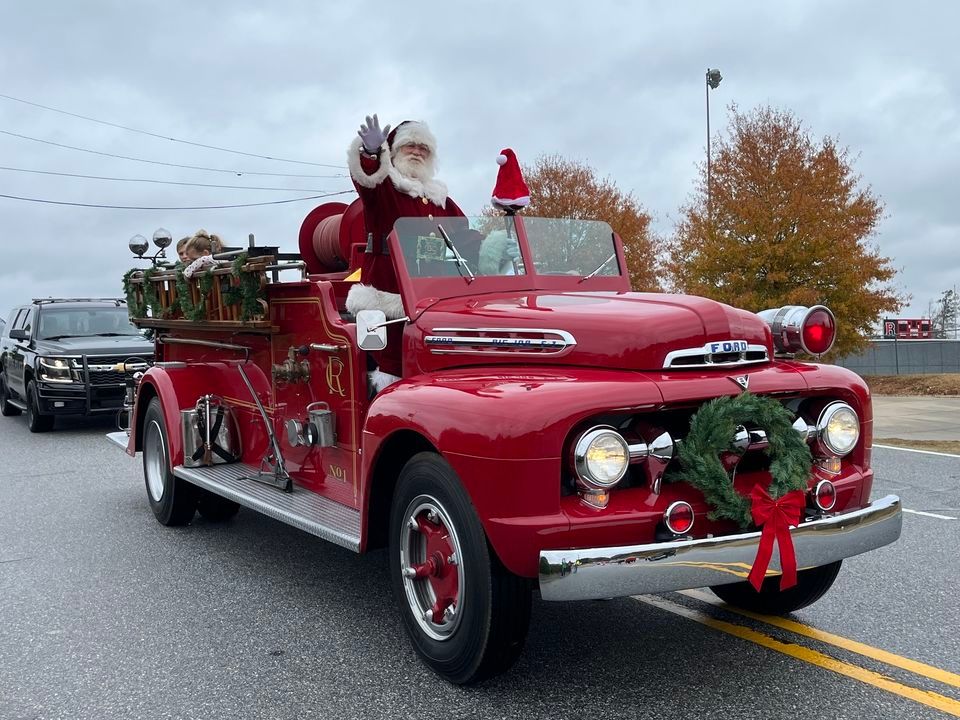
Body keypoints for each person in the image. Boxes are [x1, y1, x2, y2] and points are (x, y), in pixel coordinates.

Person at [345, 114, 466, 390]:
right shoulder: (386, 188)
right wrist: (371, 154)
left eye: (424, 148)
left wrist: (500, 245)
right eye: (410, 146)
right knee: (391, 366)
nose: (417, 152)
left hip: (430, 300)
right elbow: (368, 180)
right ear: (395, 150)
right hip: (389, 298)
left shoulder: (439, 199)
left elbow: (466, 237)